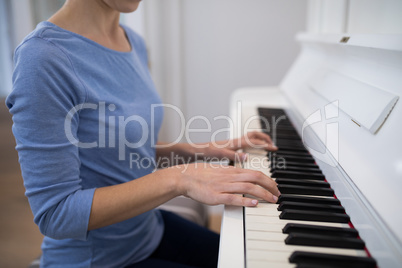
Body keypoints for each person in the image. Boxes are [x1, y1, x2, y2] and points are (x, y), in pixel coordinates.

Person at [6, 0, 280, 267]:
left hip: (147, 230)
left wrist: (199, 150)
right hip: (96, 259)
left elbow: (117, 146)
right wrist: (178, 179)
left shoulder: (132, 41)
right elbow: (56, 214)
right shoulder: (42, 58)